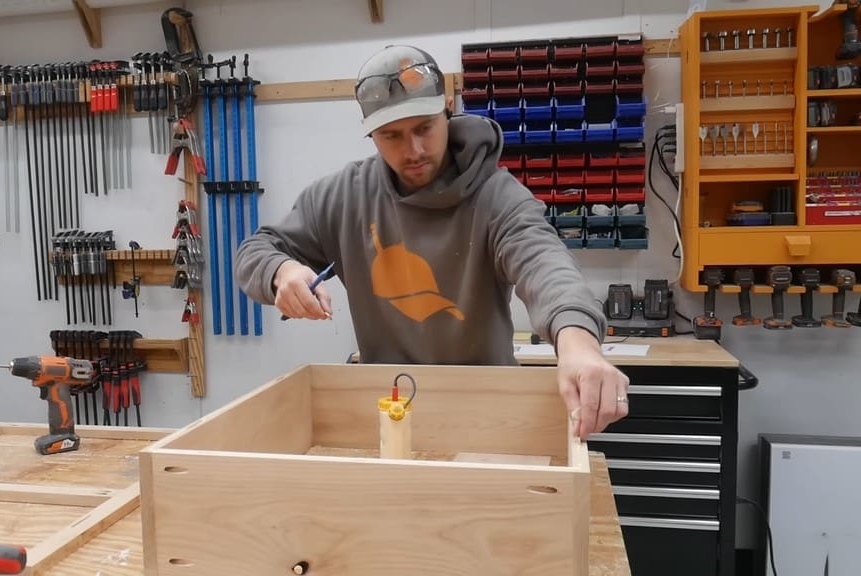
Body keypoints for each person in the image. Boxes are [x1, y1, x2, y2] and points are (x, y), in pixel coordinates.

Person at [234, 44, 629, 439]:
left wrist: (577, 342)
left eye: (424, 127)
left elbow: (545, 263)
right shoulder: (342, 197)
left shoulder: (496, 196)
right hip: (392, 413)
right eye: (391, 136)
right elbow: (255, 251)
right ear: (371, 134)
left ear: (448, 107)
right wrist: (280, 271)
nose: (414, 150)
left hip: (490, 416)